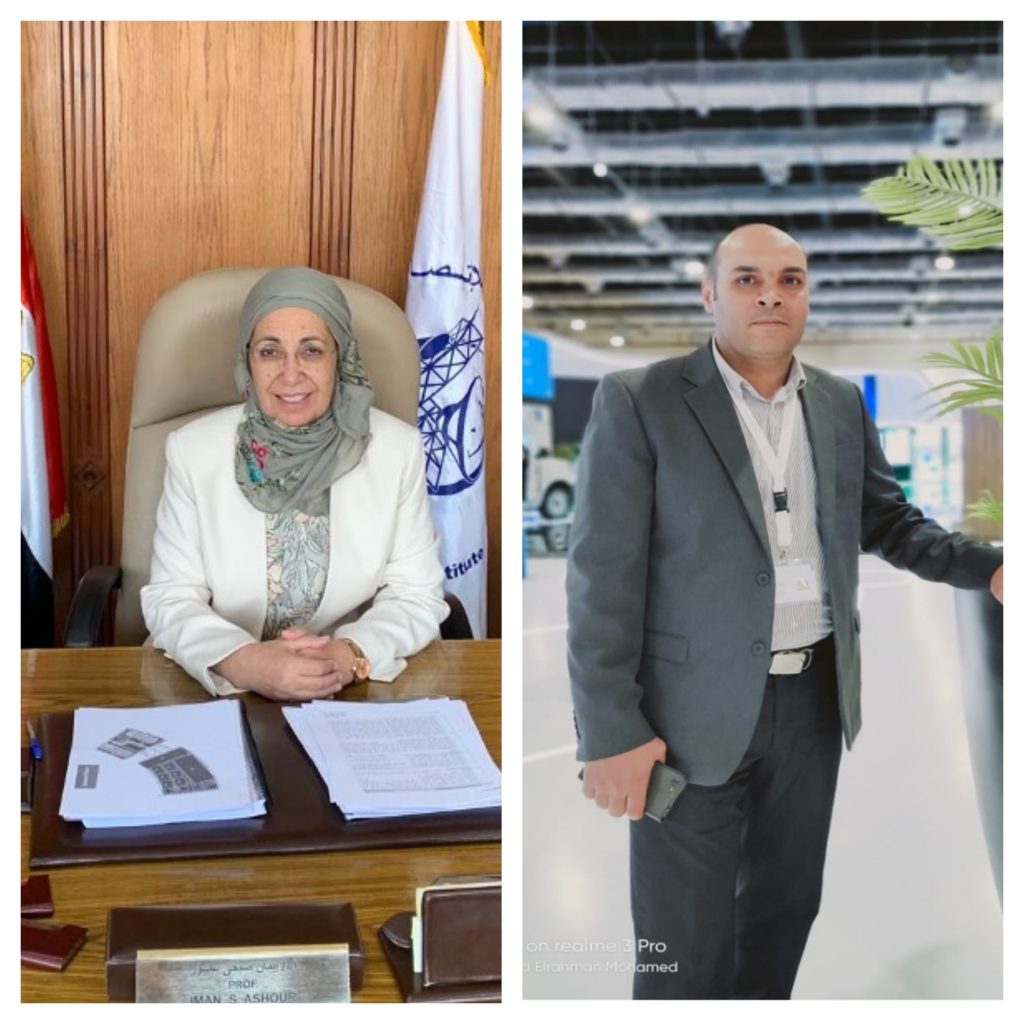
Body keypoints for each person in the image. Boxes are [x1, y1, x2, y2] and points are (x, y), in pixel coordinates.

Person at [566, 223, 1004, 999]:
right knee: (681, 945)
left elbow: (888, 521)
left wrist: (991, 567)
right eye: (747, 279)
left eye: (791, 278)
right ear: (710, 293)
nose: (771, 293)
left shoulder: (836, 403)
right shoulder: (642, 400)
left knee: (783, 914)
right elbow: (602, 575)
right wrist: (610, 731)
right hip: (686, 717)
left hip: (811, 706)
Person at [142, 267, 448, 700]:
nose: (290, 374)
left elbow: (416, 594)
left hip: (352, 692)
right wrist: (246, 662)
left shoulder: (398, 450)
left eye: (312, 350)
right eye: (270, 352)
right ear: (247, 360)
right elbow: (172, 597)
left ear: (341, 357)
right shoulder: (193, 450)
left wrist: (346, 655)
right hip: (218, 689)